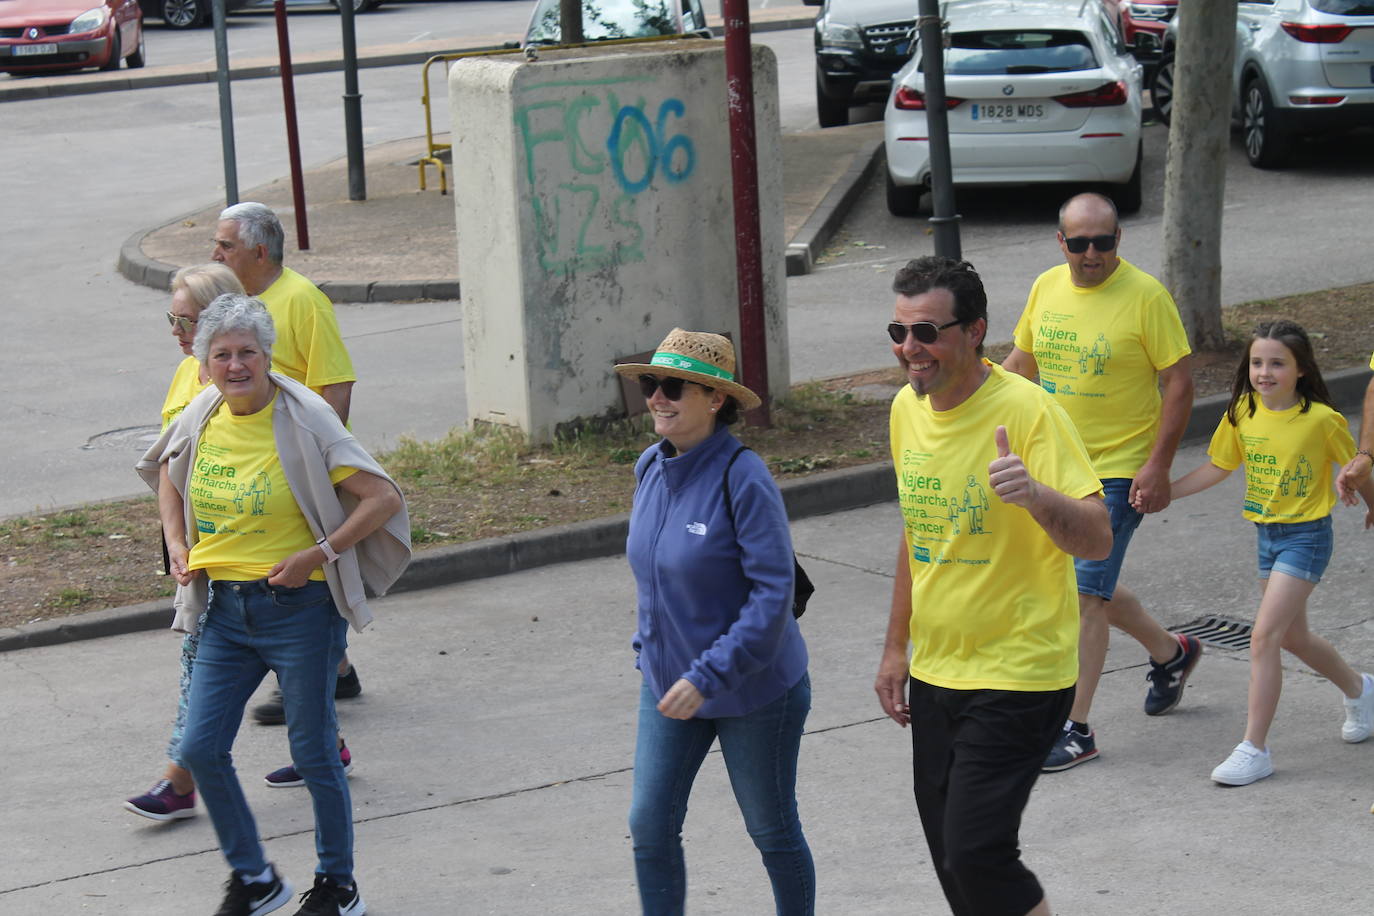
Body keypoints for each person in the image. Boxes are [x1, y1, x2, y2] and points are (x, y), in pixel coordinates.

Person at [136, 294, 410, 916]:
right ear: (204, 365)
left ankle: (338, 887)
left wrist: (318, 555)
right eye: (222, 354)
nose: (235, 366)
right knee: (200, 749)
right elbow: (167, 476)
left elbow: (381, 498)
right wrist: (178, 544)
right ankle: (256, 879)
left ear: (268, 357)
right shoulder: (203, 412)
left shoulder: (306, 416)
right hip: (224, 613)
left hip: (299, 610)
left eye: (247, 353)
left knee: (313, 753)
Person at [874, 256, 1111, 916]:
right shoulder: (905, 412)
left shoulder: (1029, 412)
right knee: (955, 866)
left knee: (977, 851)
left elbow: (1097, 536)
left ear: (975, 330)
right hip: (940, 670)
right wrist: (897, 648)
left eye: (925, 332)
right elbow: (917, 533)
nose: (909, 350)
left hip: (1021, 670)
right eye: (897, 333)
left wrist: (1035, 495)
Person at [616, 328, 814, 915]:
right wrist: (647, 647)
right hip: (671, 683)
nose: (657, 397)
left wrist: (708, 674)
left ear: (715, 399)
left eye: (674, 386)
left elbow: (772, 596)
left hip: (756, 691)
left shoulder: (743, 476)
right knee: (649, 825)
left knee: (772, 831)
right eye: (652, 384)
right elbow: (654, 574)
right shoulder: (650, 466)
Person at [1003, 192, 1202, 772]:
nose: (1093, 254)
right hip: (1055, 466)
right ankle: (1171, 653)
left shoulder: (1146, 297)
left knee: (1084, 593)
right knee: (1087, 581)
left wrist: (1158, 464)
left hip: (1119, 469)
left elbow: (1180, 383)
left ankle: (1075, 727)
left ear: (1119, 239)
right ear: (1060, 242)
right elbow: (1021, 367)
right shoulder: (1045, 287)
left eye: (1105, 241)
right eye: (1080, 243)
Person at [1170, 320, 1374, 785]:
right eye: (1258, 362)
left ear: (1300, 370)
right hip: (1267, 535)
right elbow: (1219, 466)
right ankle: (1360, 690)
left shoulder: (1321, 419)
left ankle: (1254, 748)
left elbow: (1357, 468)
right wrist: (1167, 491)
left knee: (1262, 638)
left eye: (1277, 363)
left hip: (1307, 536)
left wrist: (1372, 507)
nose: (1265, 372)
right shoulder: (1243, 411)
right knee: (1291, 637)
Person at [211, 201, 363, 725]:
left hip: (298, 468)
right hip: (258, 469)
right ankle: (336, 671)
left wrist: (321, 462)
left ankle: (311, 680)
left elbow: (334, 383)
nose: (215, 254)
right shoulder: (239, 303)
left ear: (256, 250)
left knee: (302, 578)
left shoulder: (302, 300)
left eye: (225, 245)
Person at [124, 264, 243, 822]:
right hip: (195, 549)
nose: (175, 329)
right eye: (171, 317)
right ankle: (182, 777)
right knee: (209, 658)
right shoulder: (184, 375)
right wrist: (174, 541)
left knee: (222, 660)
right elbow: (170, 466)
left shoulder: (251, 379)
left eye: (186, 319)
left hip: (248, 548)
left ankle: (181, 777)